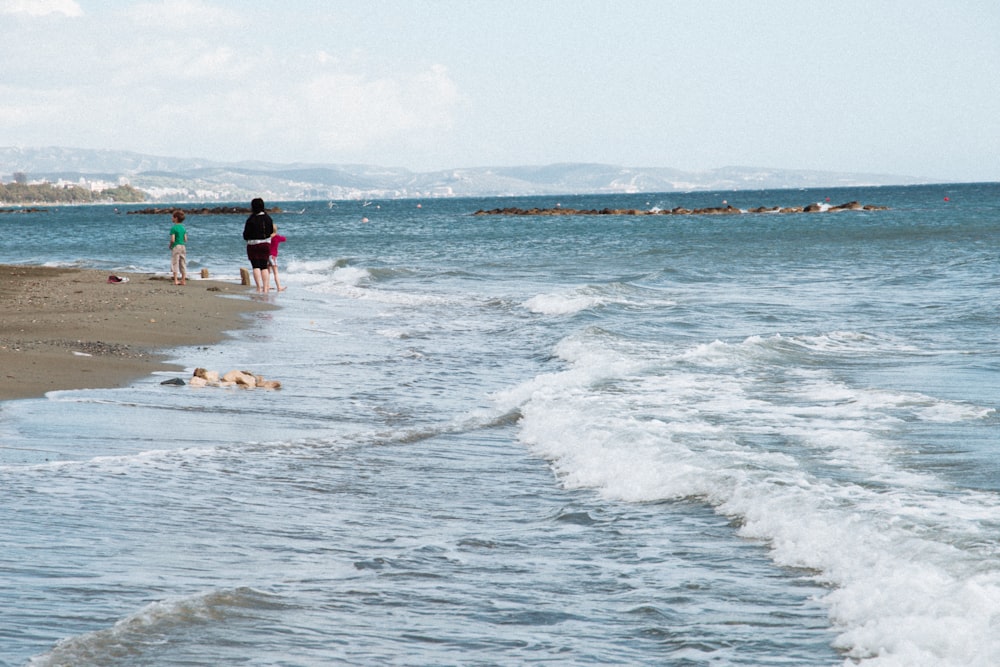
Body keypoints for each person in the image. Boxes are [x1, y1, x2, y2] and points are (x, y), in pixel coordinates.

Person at [243, 197, 274, 292]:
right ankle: (265, 288)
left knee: (255, 266)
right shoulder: (268, 218)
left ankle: (258, 287)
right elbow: (271, 231)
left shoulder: (251, 219)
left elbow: (246, 234)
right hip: (265, 244)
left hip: (253, 244)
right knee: (264, 266)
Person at [169, 210, 188, 286]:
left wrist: (170, 245)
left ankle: (176, 280)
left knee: (175, 263)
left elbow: (172, 239)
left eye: (172, 217)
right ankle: (183, 280)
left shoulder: (174, 228)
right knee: (183, 263)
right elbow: (185, 239)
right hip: (183, 246)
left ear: (176, 218)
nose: (171, 218)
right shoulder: (183, 228)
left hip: (176, 246)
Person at [268, 224, 287, 291]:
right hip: (273, 256)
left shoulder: (267, 237)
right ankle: (279, 287)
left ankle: (267, 285)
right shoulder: (276, 237)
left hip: (266, 255)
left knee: (267, 272)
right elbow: (284, 239)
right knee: (275, 272)